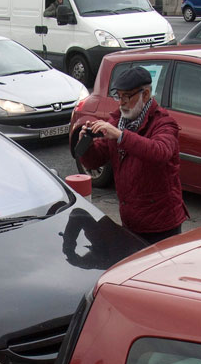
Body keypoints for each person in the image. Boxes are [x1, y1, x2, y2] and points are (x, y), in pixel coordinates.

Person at [77, 66, 187, 244]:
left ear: (145, 94)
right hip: (131, 221)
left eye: (127, 96)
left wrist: (121, 136)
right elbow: (94, 161)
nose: (121, 103)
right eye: (119, 96)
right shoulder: (117, 121)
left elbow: (159, 152)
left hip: (162, 225)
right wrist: (86, 145)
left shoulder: (164, 123)